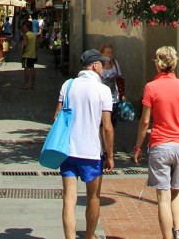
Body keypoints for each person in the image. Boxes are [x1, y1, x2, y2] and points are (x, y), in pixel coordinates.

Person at [133, 46, 179, 239]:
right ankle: (178, 231)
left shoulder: (151, 87)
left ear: (158, 64)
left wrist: (138, 146)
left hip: (160, 145)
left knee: (162, 197)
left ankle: (167, 237)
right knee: (177, 192)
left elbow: (145, 121)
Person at [55, 49, 114, 239]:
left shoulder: (68, 85)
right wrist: (110, 155)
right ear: (95, 65)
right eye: (102, 65)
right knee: (93, 197)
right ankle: (89, 236)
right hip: (91, 152)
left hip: (68, 150)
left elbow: (56, 116)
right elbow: (107, 127)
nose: (104, 69)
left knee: (69, 199)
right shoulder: (103, 90)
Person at [99, 42, 123, 124]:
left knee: (112, 122)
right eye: (107, 52)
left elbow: (119, 78)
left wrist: (122, 95)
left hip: (114, 97)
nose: (110, 54)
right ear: (102, 54)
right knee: (103, 123)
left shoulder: (115, 63)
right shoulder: (99, 65)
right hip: (102, 98)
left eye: (111, 52)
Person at [21, 23, 37, 89]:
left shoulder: (26, 35)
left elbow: (24, 44)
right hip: (33, 55)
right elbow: (37, 45)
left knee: (26, 69)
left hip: (26, 55)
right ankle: (33, 84)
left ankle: (25, 85)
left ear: (27, 28)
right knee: (32, 68)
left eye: (24, 27)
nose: (23, 29)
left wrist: (23, 51)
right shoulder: (33, 35)